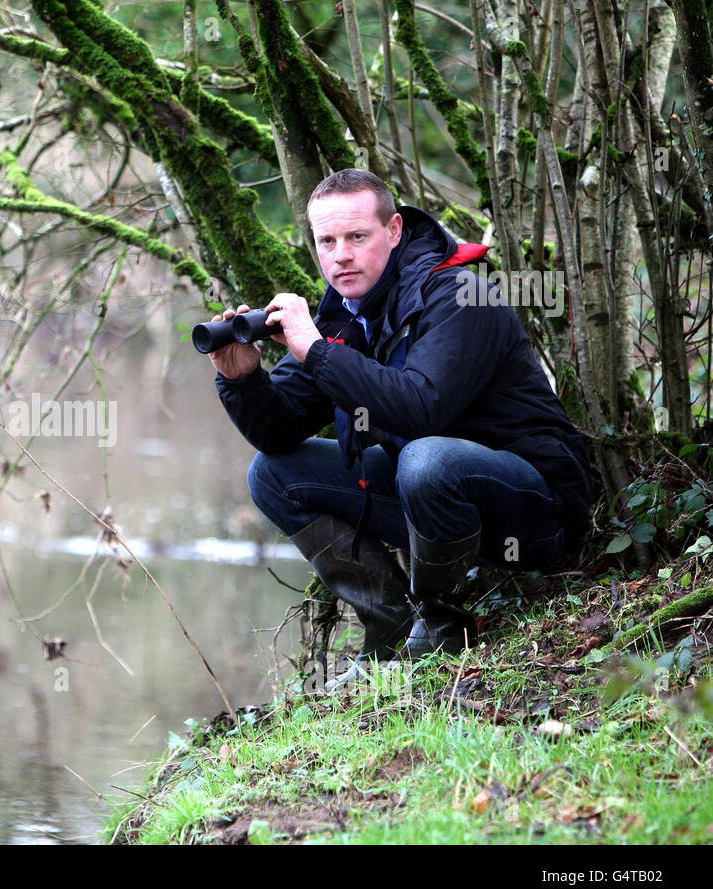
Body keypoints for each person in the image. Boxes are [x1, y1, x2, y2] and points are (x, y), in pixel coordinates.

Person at [208, 169, 592, 676]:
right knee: (273, 473)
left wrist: (317, 351)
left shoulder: (460, 295)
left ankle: (439, 629)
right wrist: (244, 380)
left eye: (357, 237)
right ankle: (387, 633)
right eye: (327, 241)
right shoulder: (345, 316)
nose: (340, 254)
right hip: (436, 502)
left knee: (425, 456)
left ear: (393, 233)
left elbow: (421, 409)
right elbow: (279, 432)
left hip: (534, 508)